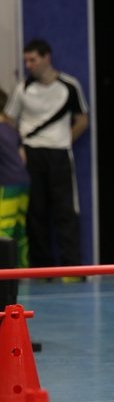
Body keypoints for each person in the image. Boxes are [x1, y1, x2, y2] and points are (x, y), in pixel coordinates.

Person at [4, 39, 88, 277]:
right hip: (32, 155)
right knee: (36, 213)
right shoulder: (23, 88)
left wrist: (64, 140)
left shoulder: (69, 85)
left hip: (60, 154)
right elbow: (9, 119)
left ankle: (72, 270)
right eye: (26, 60)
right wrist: (19, 146)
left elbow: (82, 119)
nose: (28, 64)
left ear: (46, 58)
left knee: (65, 212)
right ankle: (42, 270)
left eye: (33, 59)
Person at [0, 87, 30, 308]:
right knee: (19, 230)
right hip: (23, 183)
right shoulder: (11, 128)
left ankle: (6, 276)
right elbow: (22, 156)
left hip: (8, 185)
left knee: (4, 231)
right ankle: (22, 271)